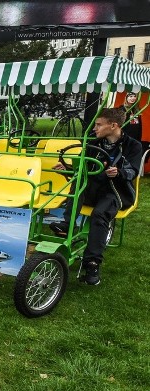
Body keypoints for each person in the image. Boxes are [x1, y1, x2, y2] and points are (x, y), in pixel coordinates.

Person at [49, 108, 142, 285]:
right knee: (79, 183)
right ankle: (67, 224)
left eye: (99, 124)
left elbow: (132, 171)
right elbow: (84, 165)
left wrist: (119, 172)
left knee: (99, 214)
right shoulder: (94, 143)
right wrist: (68, 167)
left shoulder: (133, 146)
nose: (95, 128)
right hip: (94, 187)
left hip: (116, 191)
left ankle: (92, 264)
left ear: (113, 125)